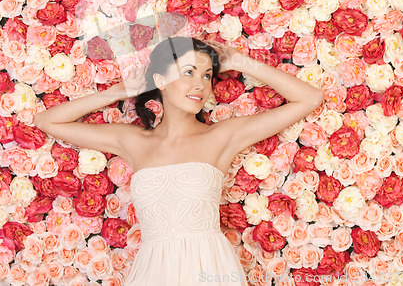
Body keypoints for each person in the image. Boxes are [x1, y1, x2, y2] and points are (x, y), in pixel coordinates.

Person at [34, 36, 324, 285]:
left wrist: (240, 61)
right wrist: (116, 92)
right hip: (153, 271)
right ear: (160, 80)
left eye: (207, 75)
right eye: (188, 72)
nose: (200, 85)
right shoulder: (133, 141)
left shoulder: (222, 136)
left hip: (211, 269)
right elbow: (48, 121)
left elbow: (309, 99)